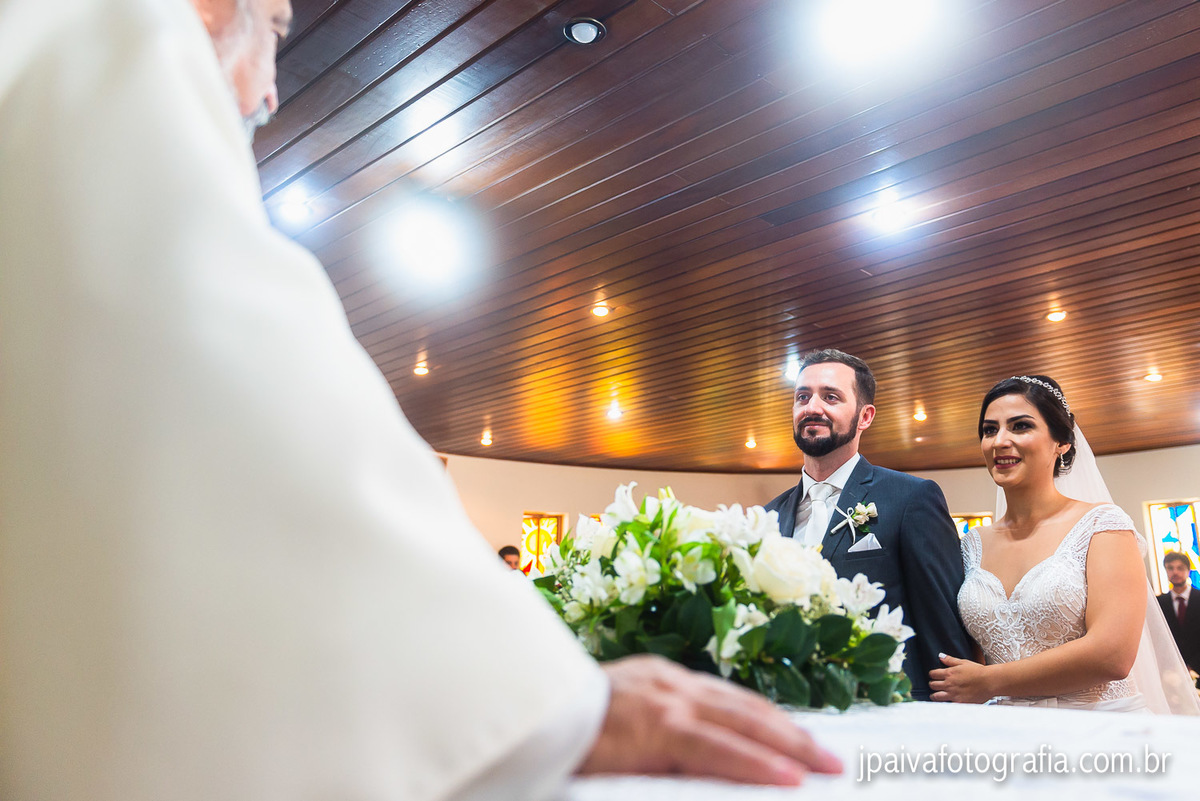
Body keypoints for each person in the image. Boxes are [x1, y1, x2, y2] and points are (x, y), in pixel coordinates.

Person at [0, 0, 843, 799]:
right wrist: (537, 703)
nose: (267, 90)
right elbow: (213, 368)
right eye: (280, 27)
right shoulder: (114, 32)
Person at [932, 375, 1200, 714]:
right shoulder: (971, 544)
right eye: (989, 429)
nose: (1000, 441)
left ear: (1062, 442)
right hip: (1001, 730)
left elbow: (1112, 655)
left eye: (1020, 426)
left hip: (1096, 727)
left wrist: (989, 682)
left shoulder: (1103, 526)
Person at [765, 349, 971, 700]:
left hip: (889, 710)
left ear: (865, 416)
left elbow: (943, 632)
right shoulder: (769, 516)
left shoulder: (911, 498)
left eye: (830, 397)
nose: (812, 407)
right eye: (803, 396)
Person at [1158, 552, 1200, 674]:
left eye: (1180, 568)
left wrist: (1193, 666)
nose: (1175, 572)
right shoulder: (1159, 603)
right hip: (1171, 670)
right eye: (1170, 568)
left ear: (1188, 571)